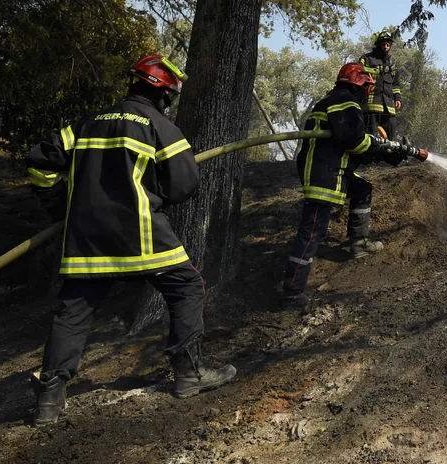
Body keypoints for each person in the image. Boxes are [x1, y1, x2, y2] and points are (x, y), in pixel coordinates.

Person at [25, 55, 236, 427]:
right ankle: (189, 374)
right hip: (141, 234)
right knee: (186, 286)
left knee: (73, 312)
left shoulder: (84, 125)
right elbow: (185, 185)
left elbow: (40, 165)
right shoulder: (160, 126)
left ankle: (48, 402)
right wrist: (153, 191)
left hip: (86, 239)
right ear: (162, 94)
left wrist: (62, 207)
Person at [283, 63, 409, 308]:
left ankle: (358, 245)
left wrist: (387, 153)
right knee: (311, 234)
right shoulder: (345, 101)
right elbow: (355, 141)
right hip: (324, 175)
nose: (367, 95)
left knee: (362, 189)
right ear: (358, 85)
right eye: (366, 88)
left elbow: (356, 145)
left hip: (333, 170)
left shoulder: (337, 101)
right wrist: (380, 148)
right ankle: (291, 293)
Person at [359, 27, 403, 141]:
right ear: (378, 44)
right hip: (371, 104)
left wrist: (397, 98)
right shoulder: (367, 59)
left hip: (389, 107)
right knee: (371, 138)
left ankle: (387, 156)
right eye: (383, 44)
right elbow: (358, 78)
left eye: (388, 44)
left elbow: (395, 83)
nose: (386, 47)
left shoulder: (392, 64)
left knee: (390, 135)